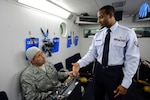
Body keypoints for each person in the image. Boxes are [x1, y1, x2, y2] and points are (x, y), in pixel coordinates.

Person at [72, 5, 140, 100]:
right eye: (98, 17)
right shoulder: (98, 34)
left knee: (115, 97)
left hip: (115, 73)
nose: (98, 21)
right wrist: (79, 63)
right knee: (97, 96)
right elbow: (92, 53)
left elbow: (132, 59)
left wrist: (125, 84)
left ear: (111, 15)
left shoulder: (127, 33)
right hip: (99, 71)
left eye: (101, 17)